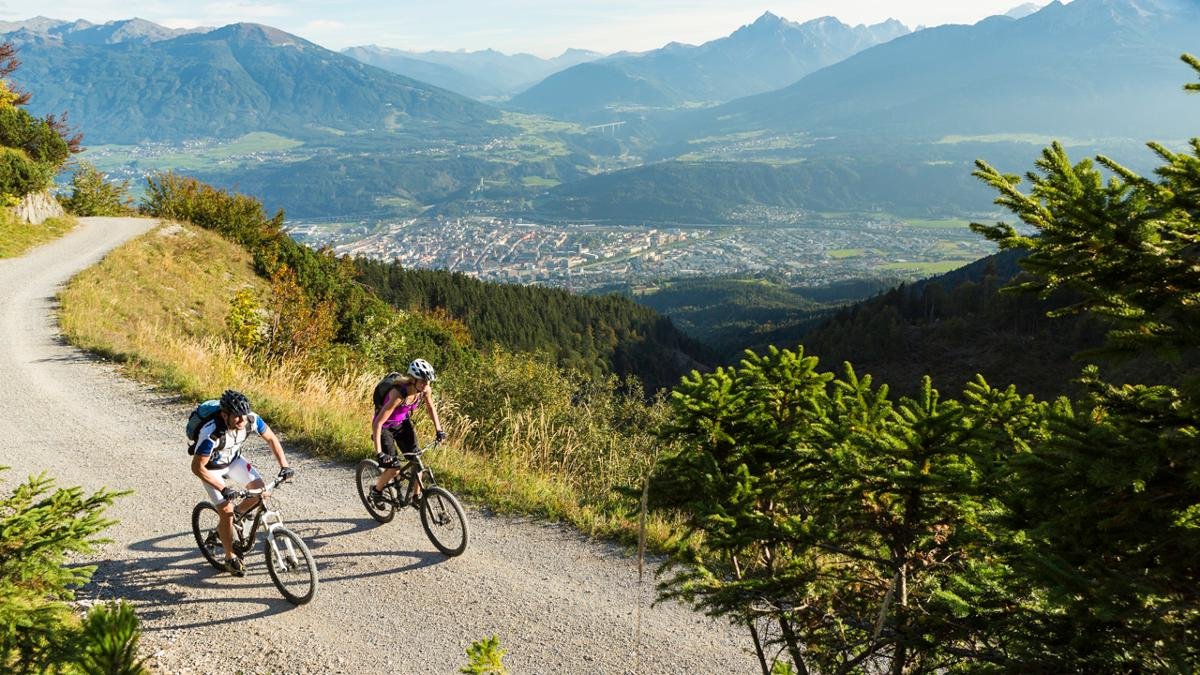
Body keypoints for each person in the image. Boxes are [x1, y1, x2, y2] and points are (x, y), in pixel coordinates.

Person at [190, 389, 293, 576]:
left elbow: (271, 438)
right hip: (212, 469)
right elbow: (197, 468)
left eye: (243, 416)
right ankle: (230, 557)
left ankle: (234, 519)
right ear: (224, 415)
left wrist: (284, 466)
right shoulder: (211, 433)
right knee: (226, 510)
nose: (241, 420)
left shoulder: (251, 419)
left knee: (261, 492)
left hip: (234, 460)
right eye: (236, 417)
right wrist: (223, 488)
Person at [370, 358, 446, 506]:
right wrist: (379, 453)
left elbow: (430, 408)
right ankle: (376, 491)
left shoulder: (424, 390)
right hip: (385, 428)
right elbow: (378, 423)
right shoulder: (398, 395)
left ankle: (416, 497)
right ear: (413, 380)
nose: (426, 385)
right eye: (423, 381)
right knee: (394, 468)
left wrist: (439, 430)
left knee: (416, 460)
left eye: (428, 382)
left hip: (402, 424)